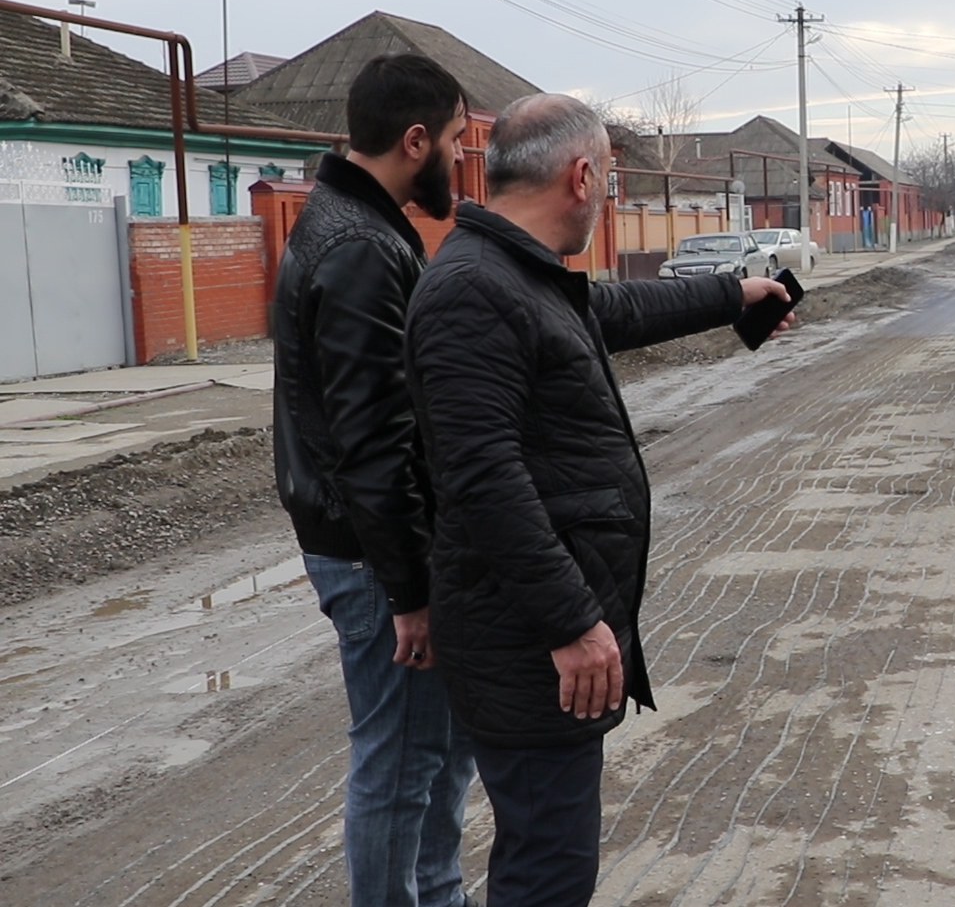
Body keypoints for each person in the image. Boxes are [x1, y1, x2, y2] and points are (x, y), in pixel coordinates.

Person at [404, 93, 793, 907]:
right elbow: (482, 479)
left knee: (549, 857)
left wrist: (735, 294)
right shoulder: (473, 289)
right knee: (547, 870)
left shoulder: (516, 274)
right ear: (581, 176)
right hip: (529, 641)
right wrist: (573, 624)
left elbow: (606, 309)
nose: (610, 197)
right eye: (611, 181)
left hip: (536, 634)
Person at [270, 53, 477, 907]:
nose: (461, 162)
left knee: (432, 753)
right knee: (398, 764)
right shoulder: (359, 247)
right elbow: (373, 442)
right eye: (457, 143)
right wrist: (409, 592)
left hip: (368, 548)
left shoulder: (350, 224)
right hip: (370, 557)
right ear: (416, 139)